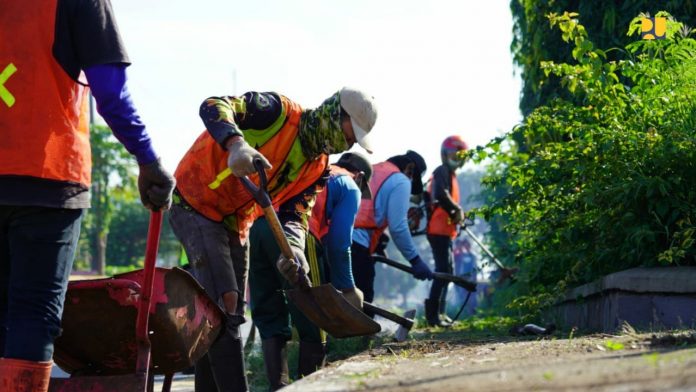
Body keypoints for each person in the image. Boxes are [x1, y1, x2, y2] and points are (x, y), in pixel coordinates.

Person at [0, 1, 175, 390]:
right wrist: (147, 158)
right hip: (47, 181)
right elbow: (109, 94)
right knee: (32, 315)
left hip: (41, 183)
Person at [168, 87, 377, 391]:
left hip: (237, 220)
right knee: (225, 304)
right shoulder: (277, 112)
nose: (349, 142)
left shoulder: (318, 169)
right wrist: (236, 144)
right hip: (195, 201)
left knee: (227, 312)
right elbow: (214, 105)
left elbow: (296, 215)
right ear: (336, 113)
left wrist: (293, 249)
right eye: (351, 132)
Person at [249, 152, 372, 389]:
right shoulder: (349, 184)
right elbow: (338, 244)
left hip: (259, 228)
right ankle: (309, 386)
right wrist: (347, 288)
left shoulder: (315, 171)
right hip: (295, 238)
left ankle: (279, 387)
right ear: (361, 176)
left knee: (269, 313)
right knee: (314, 318)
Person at [351, 150, 434, 315]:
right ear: (409, 169)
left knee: (339, 295)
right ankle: (358, 339)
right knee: (362, 300)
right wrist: (415, 260)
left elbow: (365, 210)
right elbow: (398, 227)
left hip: (334, 236)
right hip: (357, 245)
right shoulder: (401, 179)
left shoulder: (374, 170)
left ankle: (339, 338)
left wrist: (378, 243)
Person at [425, 135, 468, 327]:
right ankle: (433, 317)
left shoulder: (452, 175)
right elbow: (441, 194)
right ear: (444, 155)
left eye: (460, 156)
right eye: (453, 155)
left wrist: (458, 217)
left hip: (446, 231)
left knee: (448, 271)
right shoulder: (441, 171)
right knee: (442, 272)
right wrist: (456, 210)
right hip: (437, 230)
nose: (456, 159)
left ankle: (441, 314)